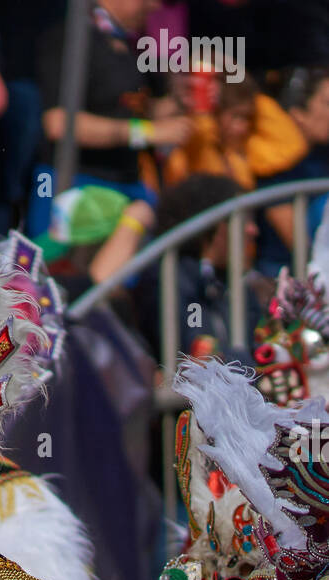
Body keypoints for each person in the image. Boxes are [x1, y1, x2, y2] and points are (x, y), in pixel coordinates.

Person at [29, 0, 193, 238]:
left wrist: (184, 99)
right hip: (73, 187)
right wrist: (146, 132)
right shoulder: (70, 38)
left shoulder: (131, 45)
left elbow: (136, 107)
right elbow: (58, 124)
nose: (155, 4)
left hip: (127, 187)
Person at [135, 173, 260, 363]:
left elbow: (258, 344)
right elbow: (196, 350)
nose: (253, 230)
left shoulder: (238, 283)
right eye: (242, 220)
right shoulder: (173, 277)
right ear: (210, 225)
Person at [163, 73, 308, 191]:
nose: (242, 126)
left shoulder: (243, 150)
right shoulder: (193, 151)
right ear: (216, 114)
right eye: (235, 116)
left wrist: (249, 91)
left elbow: (292, 145)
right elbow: (200, 129)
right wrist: (205, 99)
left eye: (247, 118)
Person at [255, 68, 329, 276]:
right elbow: (297, 242)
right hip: (284, 277)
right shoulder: (275, 161)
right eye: (327, 103)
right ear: (298, 114)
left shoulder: (322, 157)